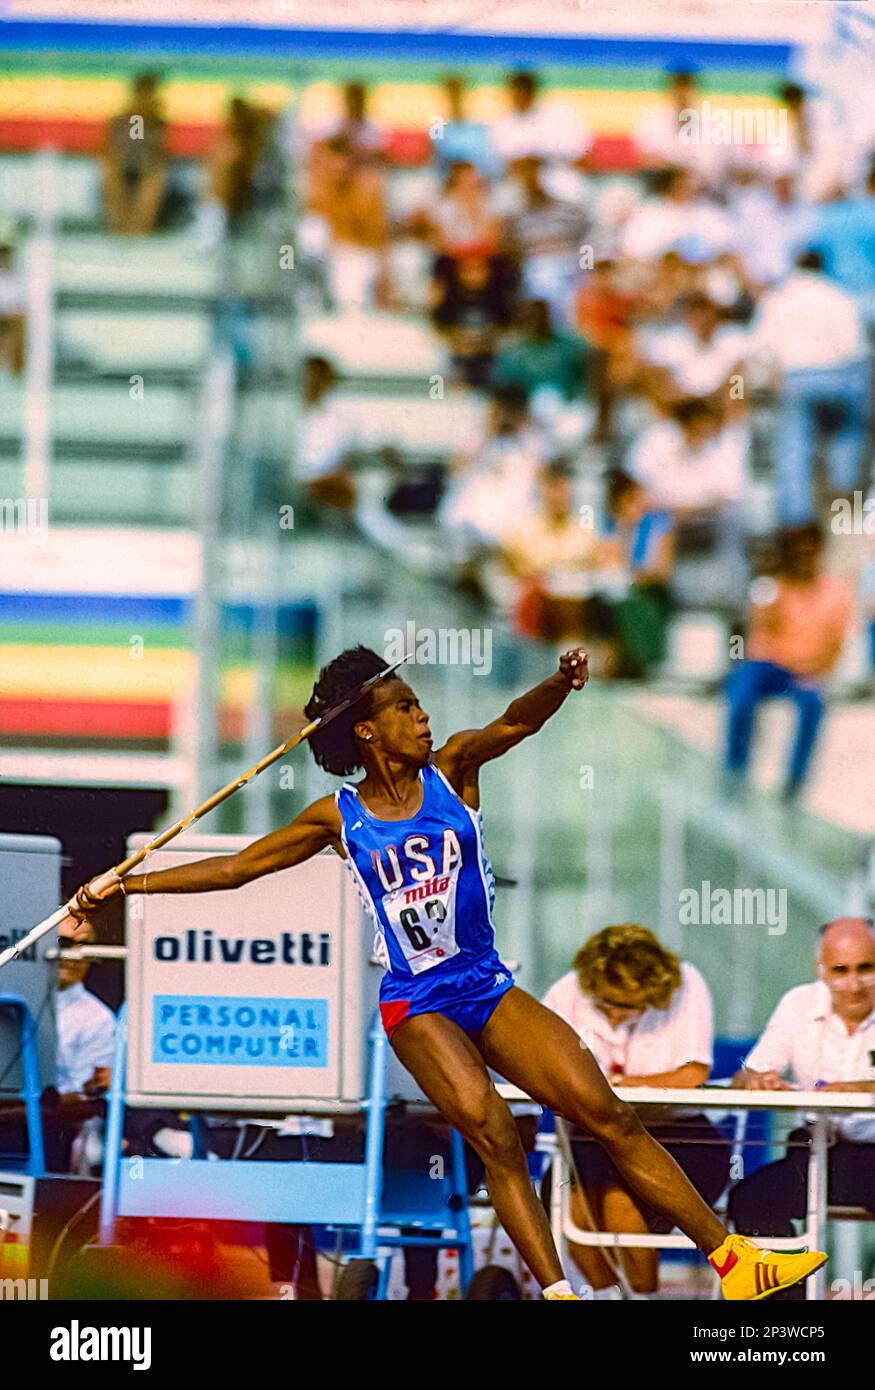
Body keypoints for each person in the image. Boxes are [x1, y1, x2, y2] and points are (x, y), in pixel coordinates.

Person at [70, 647, 825, 1300]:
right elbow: (237, 869)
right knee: (496, 1136)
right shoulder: (339, 817)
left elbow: (517, 722)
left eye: (420, 704)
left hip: (484, 983)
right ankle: (558, 1291)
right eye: (403, 708)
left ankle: (733, 1260)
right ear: (365, 730)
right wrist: (122, 885)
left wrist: (559, 684)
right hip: (416, 1003)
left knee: (607, 1113)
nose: (421, 717)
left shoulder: (453, 768)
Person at [543, 924, 729, 1298]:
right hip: (597, 1132)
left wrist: (621, 1086)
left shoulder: (688, 984)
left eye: (627, 1006)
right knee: (562, 1200)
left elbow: (693, 1073)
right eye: (604, 1003)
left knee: (617, 1198)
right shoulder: (566, 991)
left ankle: (639, 1293)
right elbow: (545, 1066)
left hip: (679, 1133)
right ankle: (611, 1294)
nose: (614, 1015)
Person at [729, 917, 875, 1241]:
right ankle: (788, 1292)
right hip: (814, 1150)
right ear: (820, 970)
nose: (854, 984)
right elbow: (747, 1073)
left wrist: (856, 1090)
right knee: (751, 1202)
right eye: (841, 971)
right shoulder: (798, 1003)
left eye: (865, 968)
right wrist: (758, 1081)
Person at [725, 522, 853, 800]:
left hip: (807, 672)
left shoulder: (836, 591)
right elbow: (757, 637)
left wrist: (813, 670)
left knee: (813, 703)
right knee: (740, 688)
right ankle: (734, 773)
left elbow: (835, 646)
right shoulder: (772, 586)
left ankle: (794, 783)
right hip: (771, 667)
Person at [751, 249, 871, 523]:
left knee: (794, 447)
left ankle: (798, 520)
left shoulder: (778, 299)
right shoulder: (840, 296)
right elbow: (855, 348)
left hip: (797, 378)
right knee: (847, 435)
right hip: (838, 379)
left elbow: (760, 348)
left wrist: (772, 378)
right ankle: (844, 500)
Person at [101, 71, 169, 236]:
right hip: (126, 169)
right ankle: (122, 225)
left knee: (154, 177)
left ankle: (139, 227)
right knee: (112, 172)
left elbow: (155, 154)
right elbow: (130, 148)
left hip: (146, 170)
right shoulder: (130, 120)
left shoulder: (157, 122)